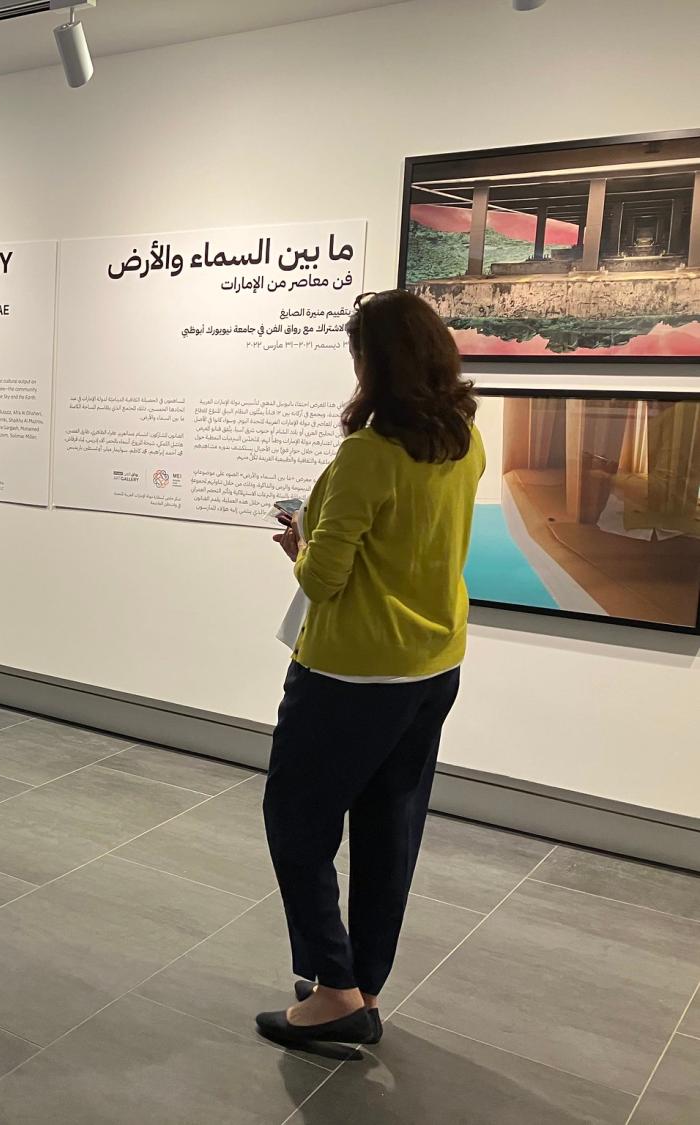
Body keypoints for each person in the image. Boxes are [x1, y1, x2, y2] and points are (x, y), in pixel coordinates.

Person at [256, 290, 483, 1048]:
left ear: (372, 363)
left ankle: (334, 988)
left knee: (297, 820)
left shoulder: (368, 453)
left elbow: (325, 580)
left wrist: (301, 541)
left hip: (350, 675)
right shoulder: (463, 443)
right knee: (390, 828)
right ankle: (359, 981)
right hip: (432, 667)